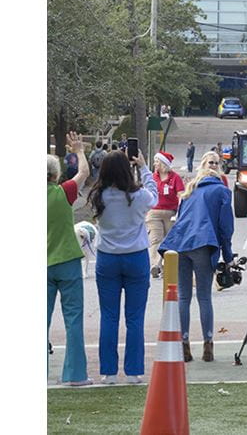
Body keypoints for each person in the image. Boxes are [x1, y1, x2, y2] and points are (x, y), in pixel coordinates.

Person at [88, 149, 158, 384]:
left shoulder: (99, 195)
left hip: (107, 257)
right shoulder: (138, 196)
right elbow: (154, 196)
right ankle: (134, 371)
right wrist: (145, 168)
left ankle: (108, 372)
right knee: (135, 317)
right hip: (136, 257)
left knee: (109, 316)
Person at [159, 156, 235, 364]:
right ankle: (207, 344)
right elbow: (225, 227)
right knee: (204, 297)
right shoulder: (221, 191)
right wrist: (228, 256)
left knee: (184, 297)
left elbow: (181, 217)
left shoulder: (189, 190)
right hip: (203, 242)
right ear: (218, 171)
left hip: (180, 243)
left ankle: (184, 344)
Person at [47, 132, 92, 386]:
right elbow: (83, 173)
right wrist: (79, 151)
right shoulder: (63, 192)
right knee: (73, 319)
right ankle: (75, 375)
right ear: (55, 175)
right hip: (66, 260)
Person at [148, 151, 185, 279]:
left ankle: (166, 268)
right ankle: (155, 265)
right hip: (154, 212)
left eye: (157, 161)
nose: (154, 164)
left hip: (171, 212)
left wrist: (180, 211)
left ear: (164, 164)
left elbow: (181, 195)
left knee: (169, 241)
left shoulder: (175, 178)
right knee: (155, 239)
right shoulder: (153, 177)